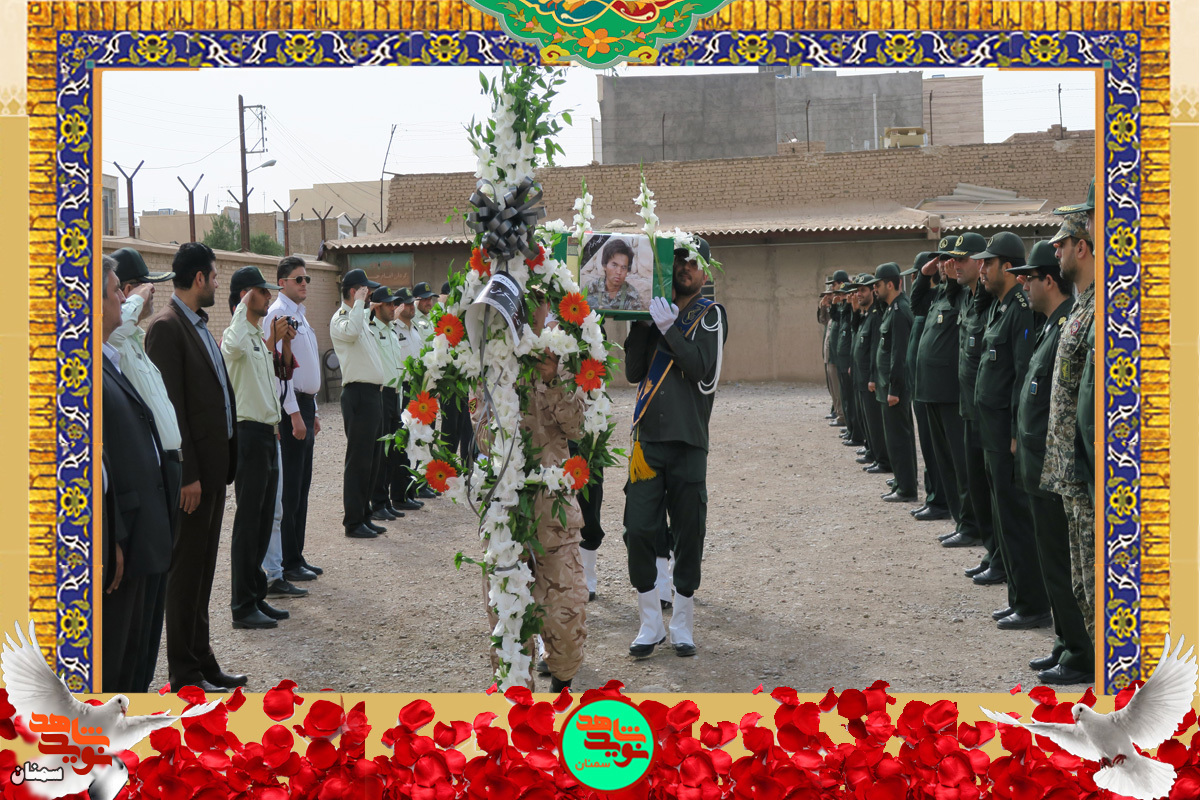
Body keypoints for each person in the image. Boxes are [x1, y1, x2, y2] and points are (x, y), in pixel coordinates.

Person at [476, 297, 589, 692]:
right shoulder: (489, 359)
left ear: (547, 309)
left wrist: (555, 380)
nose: (527, 311)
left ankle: (562, 687)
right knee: (507, 619)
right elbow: (481, 437)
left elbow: (579, 428)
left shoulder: (563, 355)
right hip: (506, 511)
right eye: (520, 301)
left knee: (565, 614)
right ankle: (518, 708)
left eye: (536, 303)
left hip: (553, 511)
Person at [145, 242, 242, 693]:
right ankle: (184, 672)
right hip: (193, 478)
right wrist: (187, 475)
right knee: (185, 575)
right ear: (199, 278)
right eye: (215, 276)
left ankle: (204, 661)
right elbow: (171, 409)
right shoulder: (167, 328)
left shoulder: (199, 325)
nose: (218, 283)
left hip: (214, 471)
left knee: (203, 571)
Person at [623, 238, 727, 658]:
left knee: (689, 532)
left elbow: (702, 369)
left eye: (694, 263)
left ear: (706, 273)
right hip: (648, 442)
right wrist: (640, 321)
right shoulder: (656, 311)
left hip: (688, 442)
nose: (685, 267)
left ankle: (682, 622)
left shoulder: (711, 315)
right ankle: (650, 623)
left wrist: (669, 328)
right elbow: (633, 372)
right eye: (679, 259)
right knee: (638, 529)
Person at [1010, 241, 1093, 685]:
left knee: (1064, 566)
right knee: (1053, 563)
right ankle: (1065, 642)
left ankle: (1081, 653)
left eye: (1029, 277)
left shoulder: (1068, 323)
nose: (1023, 284)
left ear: (1048, 280)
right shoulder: (1050, 325)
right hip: (1041, 465)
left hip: (1056, 467)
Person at [108, 246, 180, 691]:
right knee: (128, 635)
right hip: (138, 496)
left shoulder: (132, 340)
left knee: (151, 616)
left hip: (162, 479)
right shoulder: (115, 341)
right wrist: (134, 298)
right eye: (122, 292)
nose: (152, 297)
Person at [972, 232, 1050, 630]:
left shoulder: (1019, 308)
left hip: (1006, 431)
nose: (981, 269)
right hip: (991, 430)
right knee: (1002, 515)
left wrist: (1017, 433)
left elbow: (1022, 373)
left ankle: (1032, 604)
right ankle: (1017, 596)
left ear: (1007, 266)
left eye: (988, 263)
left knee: (1016, 519)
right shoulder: (999, 306)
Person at [222, 267, 293, 631]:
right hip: (248, 434)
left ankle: (256, 595)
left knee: (265, 520)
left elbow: (269, 384)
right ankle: (241, 605)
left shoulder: (258, 337)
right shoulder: (235, 335)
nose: (268, 297)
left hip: (267, 433)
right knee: (249, 521)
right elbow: (231, 348)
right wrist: (240, 307)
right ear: (246, 295)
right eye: (262, 292)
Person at [1042, 211, 1097, 642]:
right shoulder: (1081, 306)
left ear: (1081, 247)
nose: (1056, 252)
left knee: (1098, 590)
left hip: (1087, 477)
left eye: (1061, 245)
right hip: (1069, 475)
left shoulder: (1101, 310)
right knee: (1082, 585)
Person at [263, 256, 324, 587]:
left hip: (304, 404)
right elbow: (278, 371)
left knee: (302, 485)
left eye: (306, 279)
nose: (304, 284)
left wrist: (312, 409)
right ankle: (287, 561)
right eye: (298, 279)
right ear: (282, 282)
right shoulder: (278, 315)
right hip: (291, 407)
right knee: (290, 489)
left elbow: (307, 368)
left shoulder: (299, 314)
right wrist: (295, 413)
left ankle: (296, 555)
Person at [950, 233, 1001, 582]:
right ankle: (992, 551)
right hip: (970, 408)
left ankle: (1000, 558)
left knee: (992, 493)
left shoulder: (989, 301)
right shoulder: (968, 300)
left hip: (987, 413)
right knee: (978, 490)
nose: (955, 265)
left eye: (961, 259)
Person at [331, 269, 389, 540]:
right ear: (354, 291)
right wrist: (357, 304)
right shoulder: (341, 319)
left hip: (373, 395)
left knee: (373, 461)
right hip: (358, 395)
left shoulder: (359, 316)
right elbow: (352, 332)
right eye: (365, 291)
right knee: (359, 461)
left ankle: (365, 515)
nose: (369, 297)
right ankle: (353, 522)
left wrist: (364, 307)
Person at [903, 253, 950, 521]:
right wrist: (923, 275)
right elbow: (916, 301)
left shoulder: (949, 297)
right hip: (922, 386)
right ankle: (934, 495)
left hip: (935, 388)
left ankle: (940, 499)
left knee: (936, 449)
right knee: (929, 448)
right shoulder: (932, 299)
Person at [867, 262, 917, 502]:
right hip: (887, 385)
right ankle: (901, 480)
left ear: (890, 284)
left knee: (899, 438)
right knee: (894, 437)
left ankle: (906, 488)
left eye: (877, 285)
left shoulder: (899, 312)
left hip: (894, 389)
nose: (874, 289)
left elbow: (899, 354)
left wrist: (895, 389)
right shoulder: (890, 309)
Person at [367, 285, 413, 521]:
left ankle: (386, 500)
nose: (393, 307)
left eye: (394, 303)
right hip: (381, 393)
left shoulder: (392, 331)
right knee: (381, 453)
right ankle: (377, 503)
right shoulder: (371, 329)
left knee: (394, 449)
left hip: (396, 393)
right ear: (377, 307)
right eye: (388, 304)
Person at [851, 274, 889, 476]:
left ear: (872, 293)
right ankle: (872, 451)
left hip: (869, 378)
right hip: (861, 376)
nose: (859, 294)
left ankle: (881, 459)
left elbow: (875, 350)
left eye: (863, 290)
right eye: (857, 291)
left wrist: (873, 377)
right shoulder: (865, 315)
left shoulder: (875, 317)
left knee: (874, 422)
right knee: (866, 419)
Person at [391, 287, 424, 511]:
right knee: (401, 445)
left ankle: (410, 491)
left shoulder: (416, 329)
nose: (412, 307)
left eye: (413, 303)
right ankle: (399, 495)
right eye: (407, 304)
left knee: (414, 442)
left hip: (417, 389)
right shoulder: (394, 329)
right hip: (402, 388)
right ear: (399, 306)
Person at [411, 281, 440, 499]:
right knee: (417, 435)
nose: (429, 302)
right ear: (417, 300)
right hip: (418, 386)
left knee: (428, 434)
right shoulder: (413, 321)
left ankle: (424, 481)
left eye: (431, 299)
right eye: (426, 299)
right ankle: (415, 483)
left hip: (430, 385)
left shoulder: (430, 320)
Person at [585, 237, 642, 311]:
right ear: (605, 265)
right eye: (614, 265)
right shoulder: (590, 289)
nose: (619, 272)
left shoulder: (632, 295)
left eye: (623, 267)